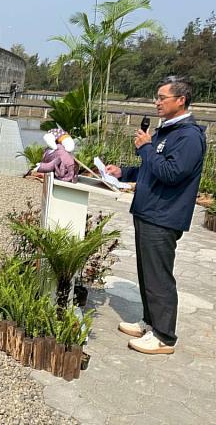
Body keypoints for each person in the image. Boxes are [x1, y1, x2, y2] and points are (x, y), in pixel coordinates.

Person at [104, 76, 206, 355]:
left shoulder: (189, 136)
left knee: (159, 277)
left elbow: (171, 174)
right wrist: (123, 172)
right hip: (148, 211)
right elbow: (151, 168)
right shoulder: (167, 131)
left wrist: (147, 148)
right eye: (157, 97)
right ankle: (150, 323)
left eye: (162, 98)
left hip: (164, 216)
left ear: (181, 100)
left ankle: (163, 336)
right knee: (147, 273)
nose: (156, 102)